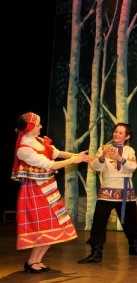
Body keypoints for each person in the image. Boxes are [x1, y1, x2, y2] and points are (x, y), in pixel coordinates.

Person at [12, 112, 93, 273]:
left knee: (55, 224)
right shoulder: (24, 149)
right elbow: (51, 165)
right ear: (29, 128)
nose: (41, 126)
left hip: (48, 188)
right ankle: (31, 261)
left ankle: (37, 260)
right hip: (35, 191)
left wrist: (78, 156)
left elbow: (57, 153)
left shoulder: (40, 141)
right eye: (38, 125)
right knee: (44, 227)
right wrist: (73, 161)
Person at [78, 122, 137, 263]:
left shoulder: (129, 150)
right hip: (107, 190)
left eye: (120, 132)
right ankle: (96, 253)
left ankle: (134, 247)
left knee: (130, 221)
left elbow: (133, 167)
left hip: (125, 190)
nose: (116, 134)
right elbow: (95, 166)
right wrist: (102, 157)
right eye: (116, 131)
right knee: (99, 222)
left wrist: (119, 158)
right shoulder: (104, 148)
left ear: (127, 136)